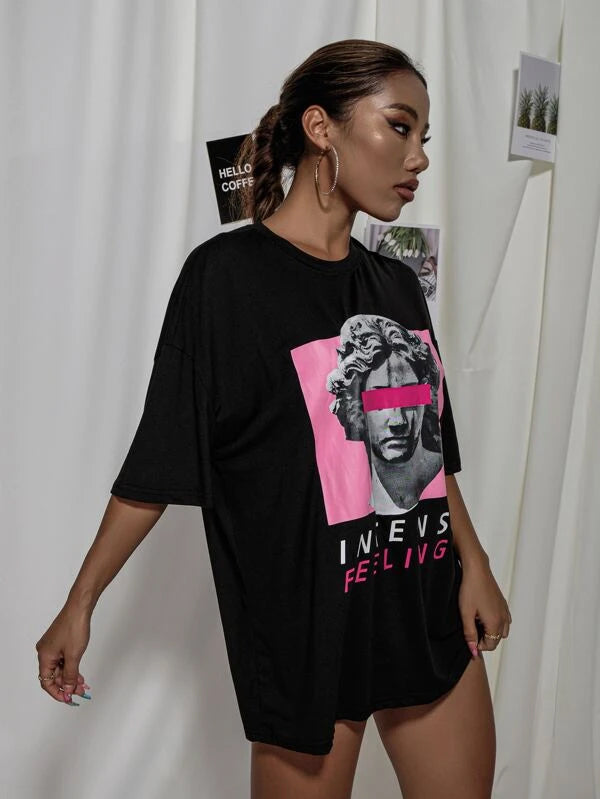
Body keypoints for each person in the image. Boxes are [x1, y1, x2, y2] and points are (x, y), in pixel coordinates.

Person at [36, 38, 511, 798]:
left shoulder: (396, 284)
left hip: (425, 608)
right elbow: (160, 458)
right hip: (308, 635)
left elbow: (432, 452)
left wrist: (475, 564)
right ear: (321, 127)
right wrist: (79, 603)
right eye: (399, 126)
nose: (419, 156)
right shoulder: (225, 279)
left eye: (425, 136)